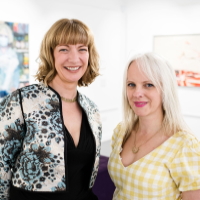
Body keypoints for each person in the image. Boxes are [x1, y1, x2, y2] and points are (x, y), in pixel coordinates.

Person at [0, 18, 102, 200]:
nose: (74, 58)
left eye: (82, 49)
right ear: (50, 54)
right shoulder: (21, 102)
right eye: (64, 49)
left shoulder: (92, 110)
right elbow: (1, 165)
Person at [108, 52, 200, 200]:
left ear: (165, 90)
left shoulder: (184, 145)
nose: (137, 93)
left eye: (148, 85)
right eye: (131, 84)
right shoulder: (121, 131)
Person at [0, 22, 19, 98]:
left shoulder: (12, 53)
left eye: (5, 36)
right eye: (1, 35)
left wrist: (15, 85)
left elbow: (16, 72)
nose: (3, 38)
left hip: (9, 90)